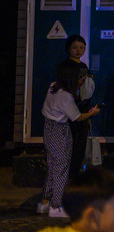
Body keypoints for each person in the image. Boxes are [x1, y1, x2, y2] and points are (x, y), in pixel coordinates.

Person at [37, 61, 103, 218]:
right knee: (61, 168)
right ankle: (57, 206)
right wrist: (93, 113)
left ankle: (44, 202)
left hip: (48, 128)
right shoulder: (66, 96)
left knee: (53, 166)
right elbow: (77, 117)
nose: (82, 81)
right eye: (81, 78)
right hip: (61, 130)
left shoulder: (53, 86)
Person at [62, 34, 96, 179]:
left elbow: (87, 93)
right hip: (69, 113)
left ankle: (73, 179)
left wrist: (89, 114)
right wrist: (79, 83)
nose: (78, 50)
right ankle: (64, 181)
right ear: (68, 48)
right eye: (75, 47)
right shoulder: (65, 66)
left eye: (81, 47)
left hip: (83, 112)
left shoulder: (83, 66)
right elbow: (64, 89)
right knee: (68, 149)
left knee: (79, 149)